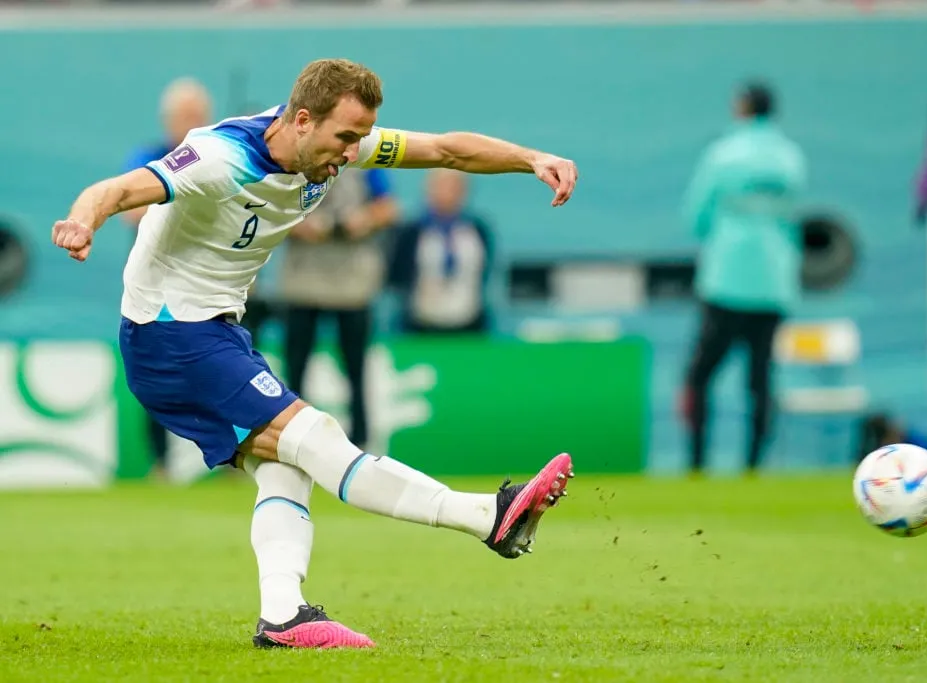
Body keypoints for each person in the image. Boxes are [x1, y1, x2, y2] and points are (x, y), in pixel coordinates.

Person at [52, 58, 577, 650]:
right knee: (317, 435)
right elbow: (118, 190)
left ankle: (283, 616)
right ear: (302, 120)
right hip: (171, 336)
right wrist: (81, 220)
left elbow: (448, 151)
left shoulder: (334, 143)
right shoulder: (220, 159)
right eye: (345, 138)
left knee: (286, 466)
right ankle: (489, 517)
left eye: (359, 138)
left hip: (216, 333)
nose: (353, 152)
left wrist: (533, 157)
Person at [678, 81, 807, 476]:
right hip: (773, 283)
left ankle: (697, 464)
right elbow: (793, 213)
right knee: (761, 378)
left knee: (699, 376)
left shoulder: (722, 154)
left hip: (726, 280)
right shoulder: (790, 158)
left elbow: (696, 215)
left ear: (741, 108)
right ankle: (753, 466)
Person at [120, 77, 214, 480]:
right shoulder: (148, 158)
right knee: (158, 377)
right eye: (184, 116)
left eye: (198, 115)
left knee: (217, 373)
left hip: (208, 287)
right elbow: (130, 210)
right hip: (156, 289)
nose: (191, 122)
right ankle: (162, 462)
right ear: (168, 120)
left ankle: (228, 459)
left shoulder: (218, 155)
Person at [279, 166, 399, 448]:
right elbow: (268, 207)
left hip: (352, 281)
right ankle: (292, 439)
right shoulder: (295, 158)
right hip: (303, 277)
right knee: (295, 369)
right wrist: (301, 224)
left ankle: (361, 442)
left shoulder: (366, 161)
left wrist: (364, 219)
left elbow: (389, 207)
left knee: (356, 368)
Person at [388, 168, 494, 335]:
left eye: (454, 187)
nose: (447, 193)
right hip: (421, 323)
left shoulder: (477, 229)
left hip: (469, 322)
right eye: (441, 186)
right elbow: (397, 274)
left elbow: (485, 271)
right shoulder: (412, 231)